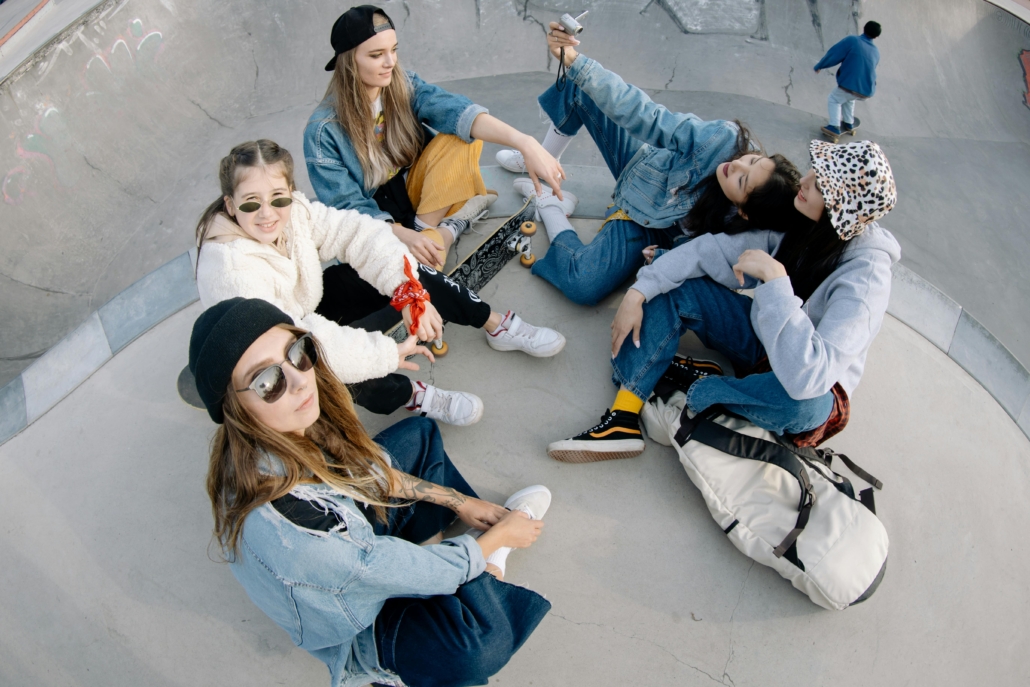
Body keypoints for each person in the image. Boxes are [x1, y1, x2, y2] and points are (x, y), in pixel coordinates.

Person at [190, 296, 553, 687]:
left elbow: (365, 470)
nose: (298, 380)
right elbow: (375, 565)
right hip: (354, 623)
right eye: (267, 382)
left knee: (419, 434)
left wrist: (461, 502)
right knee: (478, 647)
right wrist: (499, 538)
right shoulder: (300, 533)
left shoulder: (273, 435)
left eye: (298, 351)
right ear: (234, 408)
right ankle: (486, 571)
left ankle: (446, 586)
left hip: (354, 549)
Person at [547, 140, 898, 463]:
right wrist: (638, 292)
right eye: (815, 169)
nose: (804, 181)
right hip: (762, 339)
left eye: (820, 185)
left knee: (806, 404)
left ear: (841, 212)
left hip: (803, 380)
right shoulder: (805, 220)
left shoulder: (866, 278)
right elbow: (710, 251)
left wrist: (776, 282)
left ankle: (696, 390)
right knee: (675, 283)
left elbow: (807, 377)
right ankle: (623, 417)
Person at [195, 140, 566, 428]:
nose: (267, 214)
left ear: (292, 192)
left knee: (406, 269)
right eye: (250, 204)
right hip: (269, 360)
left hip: (301, 306)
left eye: (278, 198)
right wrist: (387, 354)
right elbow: (305, 340)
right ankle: (412, 395)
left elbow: (359, 234)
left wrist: (409, 295)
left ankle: (491, 323)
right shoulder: (233, 271)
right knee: (321, 364)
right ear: (230, 205)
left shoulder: (296, 213)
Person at [493, 21, 801, 307]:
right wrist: (575, 61)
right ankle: (540, 157)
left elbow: (708, 263)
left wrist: (666, 257)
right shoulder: (724, 141)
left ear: (745, 211)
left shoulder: (751, 230)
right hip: (646, 183)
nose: (736, 166)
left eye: (742, 182)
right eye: (751, 160)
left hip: (652, 228)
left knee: (582, 284)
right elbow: (649, 116)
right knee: (583, 86)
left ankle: (550, 204)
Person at [304, 5, 569, 271]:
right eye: (376, 55)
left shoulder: (403, 85)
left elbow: (458, 112)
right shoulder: (323, 130)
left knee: (464, 135)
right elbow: (348, 209)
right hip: (374, 215)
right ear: (349, 62)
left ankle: (427, 229)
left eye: (394, 50)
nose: (390, 62)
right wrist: (402, 235)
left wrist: (526, 143)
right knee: (411, 272)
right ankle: (450, 227)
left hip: (418, 192)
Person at [814, 21, 881, 140]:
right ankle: (849, 122)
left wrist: (820, 65)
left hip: (849, 85)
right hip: (866, 91)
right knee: (849, 98)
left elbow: (834, 54)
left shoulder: (853, 41)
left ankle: (834, 126)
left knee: (834, 99)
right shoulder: (876, 51)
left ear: (863, 29)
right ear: (876, 36)